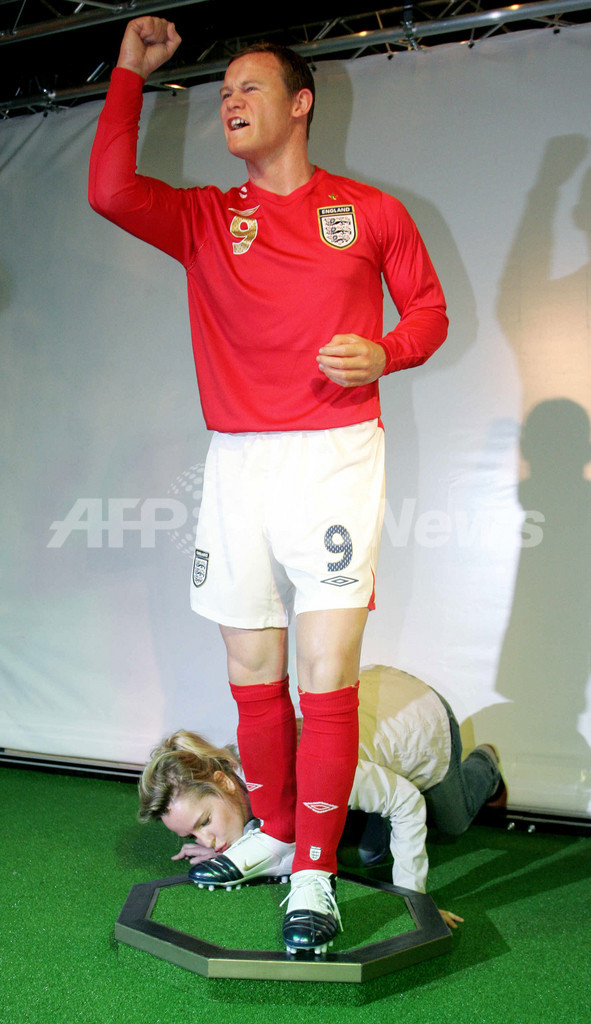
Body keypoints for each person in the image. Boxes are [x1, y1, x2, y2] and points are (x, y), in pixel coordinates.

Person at [89, 18, 448, 954]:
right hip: (237, 460)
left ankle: (314, 875)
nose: (231, 101)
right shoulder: (208, 217)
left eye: (250, 87)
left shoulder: (369, 212)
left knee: (324, 674)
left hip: (334, 454)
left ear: (301, 104)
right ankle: (279, 834)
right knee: (253, 672)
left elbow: (428, 311)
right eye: (222, 93)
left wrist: (385, 352)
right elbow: (111, 190)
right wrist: (128, 72)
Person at [138, 665, 506, 942]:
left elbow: (406, 802)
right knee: (353, 844)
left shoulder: (305, 773)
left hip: (422, 720)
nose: (206, 841)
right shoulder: (234, 771)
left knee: (449, 823)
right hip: (371, 706)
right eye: (193, 835)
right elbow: (271, 827)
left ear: (223, 782)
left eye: (204, 822)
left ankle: (485, 764)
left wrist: (415, 903)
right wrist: (232, 845)